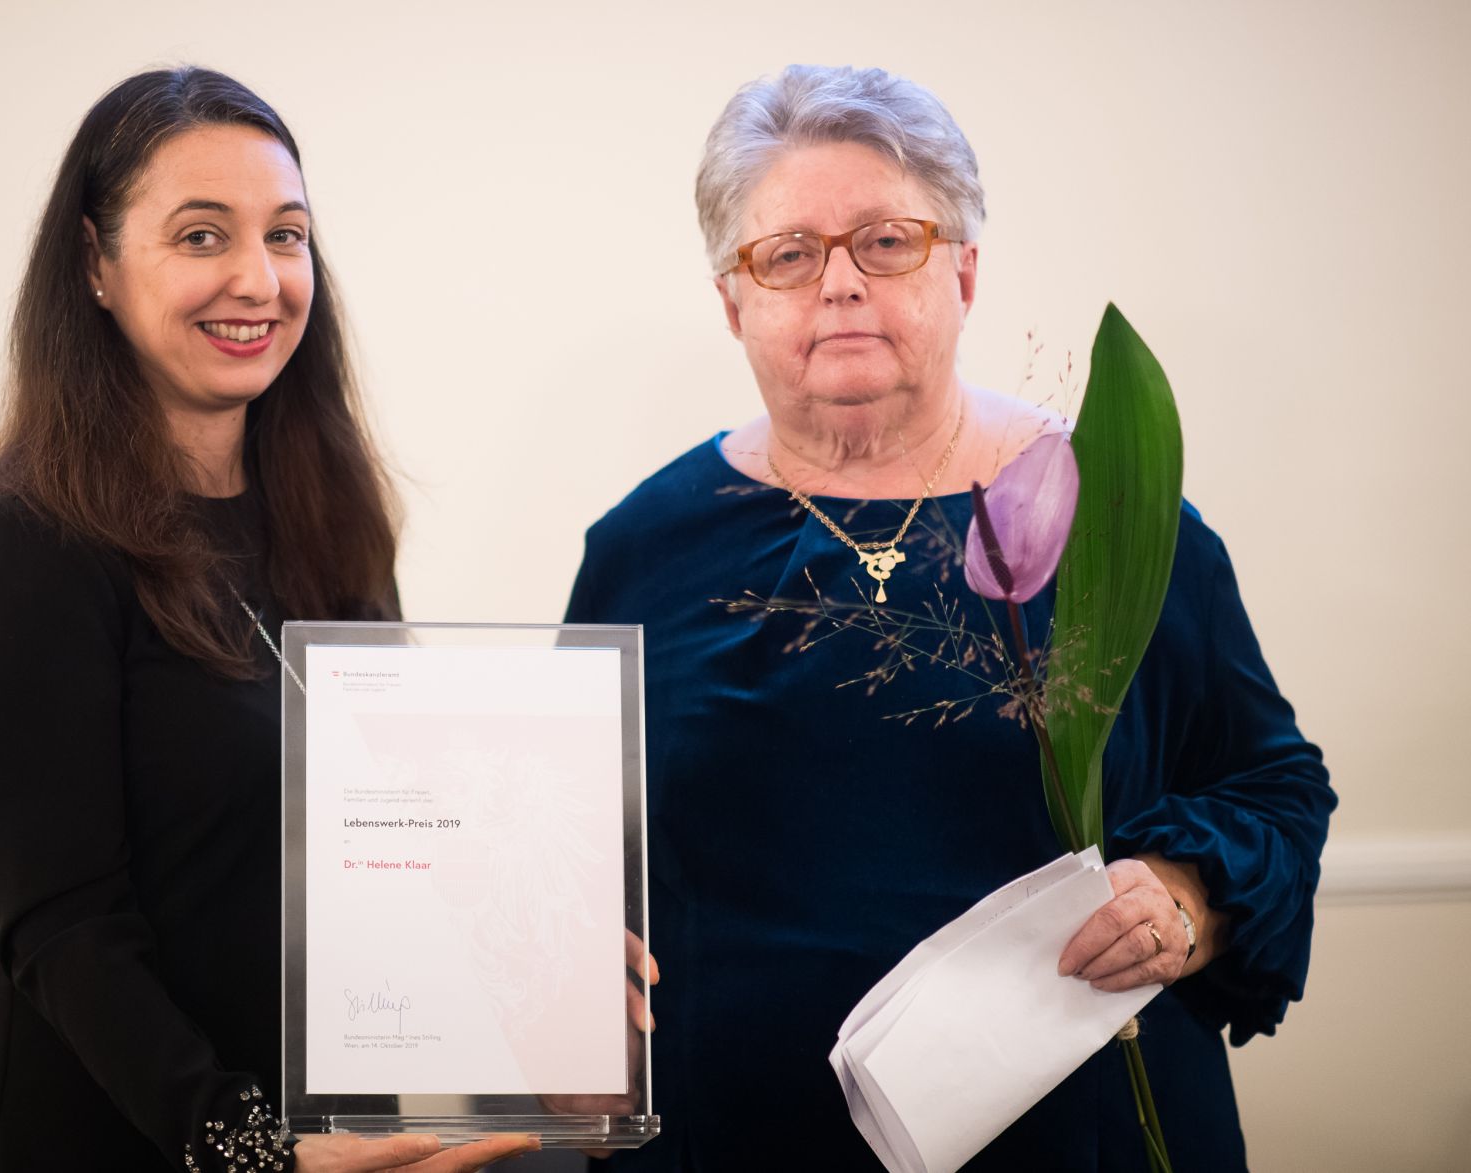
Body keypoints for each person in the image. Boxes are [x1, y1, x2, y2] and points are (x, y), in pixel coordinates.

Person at [564, 64, 1334, 1171]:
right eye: (786, 255)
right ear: (731, 301)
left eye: (886, 241)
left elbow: (1273, 788)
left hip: (1076, 1139)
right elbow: (564, 859)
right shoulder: (643, 549)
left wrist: (1186, 896)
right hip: (732, 1136)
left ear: (962, 272)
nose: (838, 285)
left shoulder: (1112, 518)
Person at [0, 67, 539, 1173]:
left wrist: (549, 964)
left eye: (286, 235)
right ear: (94, 266)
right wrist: (253, 1148)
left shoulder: (330, 519)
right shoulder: (29, 556)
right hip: (121, 1139)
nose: (258, 278)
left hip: (326, 1125)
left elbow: (387, 831)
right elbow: (64, 930)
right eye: (201, 236)